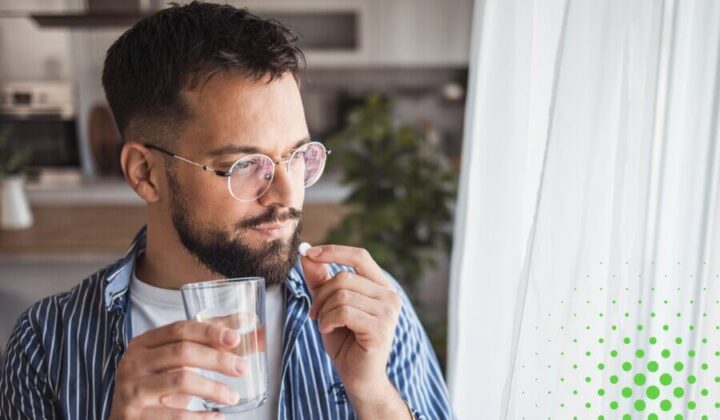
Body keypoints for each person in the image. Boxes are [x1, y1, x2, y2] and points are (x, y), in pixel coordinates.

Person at [0, 2, 453, 419]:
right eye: (242, 165)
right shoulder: (47, 343)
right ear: (145, 172)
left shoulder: (367, 309)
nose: (285, 194)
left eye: (297, 156)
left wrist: (374, 394)